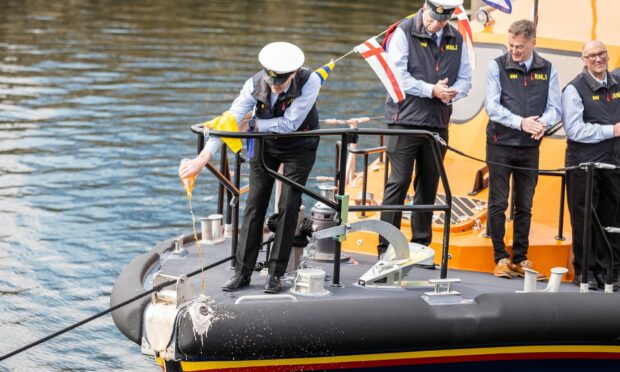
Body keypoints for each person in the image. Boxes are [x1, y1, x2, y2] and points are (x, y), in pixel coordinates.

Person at [179, 42, 322, 294]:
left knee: (289, 205)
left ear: (293, 73)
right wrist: (203, 158)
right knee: (254, 205)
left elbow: (290, 124)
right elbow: (229, 122)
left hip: (300, 146)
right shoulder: (253, 84)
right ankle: (242, 272)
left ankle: (275, 274)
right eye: (271, 80)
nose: (275, 86)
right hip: (265, 146)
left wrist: (253, 125)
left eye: (281, 81)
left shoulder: (311, 81)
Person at [378, 0, 472, 257]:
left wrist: (453, 93)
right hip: (404, 120)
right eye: (434, 18)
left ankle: (421, 246)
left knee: (429, 184)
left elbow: (465, 78)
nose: (437, 23)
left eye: (443, 20)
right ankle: (387, 248)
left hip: (438, 122)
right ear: (424, 7)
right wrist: (432, 90)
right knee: (398, 182)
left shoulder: (457, 38)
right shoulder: (404, 31)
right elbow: (397, 77)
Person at [485, 20, 561, 280]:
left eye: (520, 46)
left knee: (525, 205)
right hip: (500, 144)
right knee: (498, 202)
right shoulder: (496, 66)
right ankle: (500, 258)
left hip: (530, 146)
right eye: (511, 45)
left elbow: (555, 108)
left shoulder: (548, 69)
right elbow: (493, 107)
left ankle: (520, 257)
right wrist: (522, 122)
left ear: (533, 43)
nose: (514, 51)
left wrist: (543, 124)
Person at [562, 40, 620, 290]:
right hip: (584, 164)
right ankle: (585, 272)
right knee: (585, 219)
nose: (598, 59)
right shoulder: (574, 90)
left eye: (602, 54)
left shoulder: (617, 84)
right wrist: (612, 130)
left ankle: (612, 271)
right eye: (592, 55)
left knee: (613, 218)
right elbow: (574, 130)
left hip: (614, 162)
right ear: (583, 59)